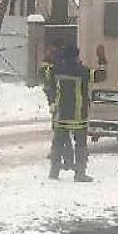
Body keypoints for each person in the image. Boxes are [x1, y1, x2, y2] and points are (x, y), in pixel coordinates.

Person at [45, 44, 106, 182]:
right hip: (78, 115)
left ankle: (54, 172)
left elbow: (43, 74)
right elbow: (101, 76)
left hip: (61, 114)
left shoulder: (56, 70)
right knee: (81, 146)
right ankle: (79, 173)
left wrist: (49, 56)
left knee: (58, 144)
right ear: (76, 57)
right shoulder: (82, 71)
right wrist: (102, 60)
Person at [39, 39, 73, 171]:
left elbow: (48, 79)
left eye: (51, 49)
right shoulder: (54, 62)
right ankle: (65, 156)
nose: (49, 51)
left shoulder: (56, 63)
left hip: (58, 100)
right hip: (54, 98)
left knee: (60, 129)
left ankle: (66, 157)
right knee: (60, 129)